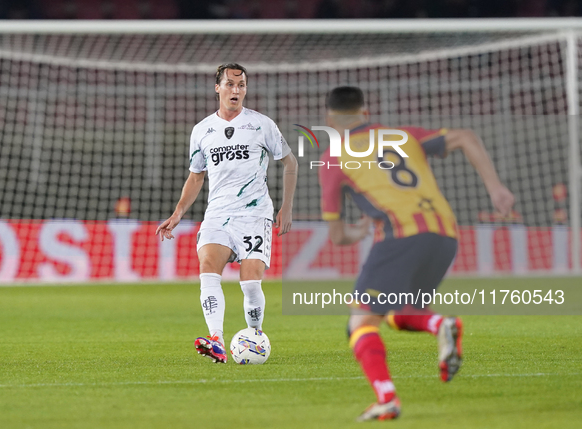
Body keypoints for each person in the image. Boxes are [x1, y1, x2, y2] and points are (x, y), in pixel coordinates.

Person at [318, 86, 514, 421]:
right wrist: (496, 189)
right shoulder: (403, 135)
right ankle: (436, 323)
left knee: (360, 322)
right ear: (366, 113)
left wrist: (359, 231)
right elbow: (466, 136)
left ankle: (388, 396)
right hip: (445, 234)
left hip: (400, 236)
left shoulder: (333, 159)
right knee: (397, 310)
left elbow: (338, 237)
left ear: (329, 120)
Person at [156, 63, 298, 363]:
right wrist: (178, 212)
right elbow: (196, 177)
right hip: (218, 214)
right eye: (230, 84)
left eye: (241, 85)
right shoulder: (202, 131)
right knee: (208, 268)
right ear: (217, 87)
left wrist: (287, 207)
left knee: (249, 283)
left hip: (255, 214)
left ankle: (255, 334)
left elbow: (290, 163)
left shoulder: (262, 125)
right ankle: (217, 340)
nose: (236, 90)